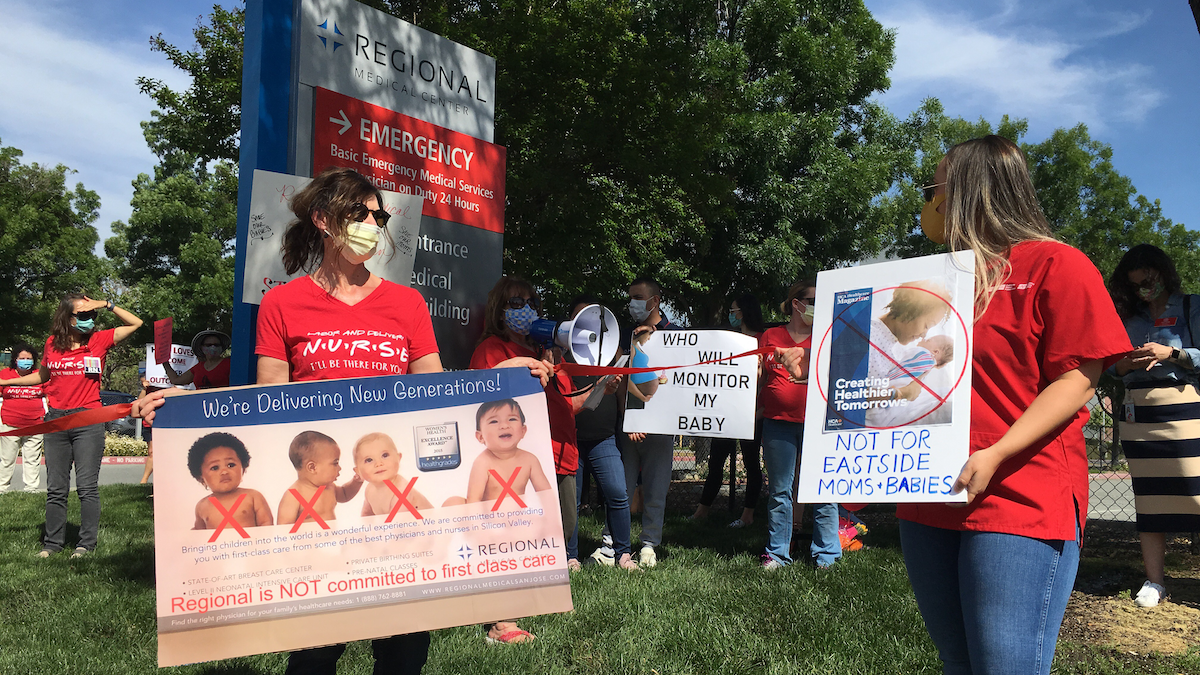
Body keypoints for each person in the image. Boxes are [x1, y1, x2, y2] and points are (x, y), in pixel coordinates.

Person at [135, 167, 548, 673]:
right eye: (361, 214)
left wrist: (496, 379)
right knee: (313, 650)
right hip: (323, 514)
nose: (374, 225)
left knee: (403, 649)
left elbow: (437, 397)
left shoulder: (407, 303)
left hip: (394, 518)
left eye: (379, 216)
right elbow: (269, 404)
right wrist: (184, 403)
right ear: (324, 220)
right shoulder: (281, 303)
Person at [888, 135, 1131, 675]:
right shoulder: (934, 280)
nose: (931, 201)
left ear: (973, 189)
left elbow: (1077, 380)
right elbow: (901, 368)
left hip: (1020, 491)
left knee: (1006, 665)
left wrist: (996, 453)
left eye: (937, 187)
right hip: (930, 489)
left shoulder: (1057, 264)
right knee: (957, 661)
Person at [469, 275, 579, 642]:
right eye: (515, 303)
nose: (526, 309)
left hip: (558, 454)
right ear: (499, 310)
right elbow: (480, 388)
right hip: (517, 462)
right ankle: (502, 620)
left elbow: (568, 405)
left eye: (531, 302)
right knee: (512, 537)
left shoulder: (545, 354)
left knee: (560, 529)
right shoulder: (493, 349)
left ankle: (526, 600)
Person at [0, 294, 142, 558]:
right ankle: (52, 544)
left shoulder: (98, 341)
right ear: (67, 317)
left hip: (88, 420)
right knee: (56, 487)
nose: (89, 320)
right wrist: (7, 383)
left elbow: (136, 323)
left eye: (92, 316)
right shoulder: (52, 343)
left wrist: (105, 305)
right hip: (56, 419)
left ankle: (85, 544)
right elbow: (43, 376)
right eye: (83, 314)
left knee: (86, 487)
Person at [1108, 243, 1200, 608]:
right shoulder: (1128, 319)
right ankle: (1154, 582)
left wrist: (1171, 353)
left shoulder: (1192, 305)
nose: (1144, 290)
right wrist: (1123, 366)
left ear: (1163, 273)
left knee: (1195, 492)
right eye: (1135, 285)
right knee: (1149, 500)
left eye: (1148, 281)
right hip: (1138, 413)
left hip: (1183, 407)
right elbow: (1111, 366)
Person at [758, 281, 840, 569]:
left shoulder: (828, 337)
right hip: (777, 424)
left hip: (820, 425)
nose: (818, 307)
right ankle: (777, 553)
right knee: (780, 491)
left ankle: (827, 555)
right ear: (797, 303)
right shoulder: (771, 336)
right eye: (814, 300)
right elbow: (758, 375)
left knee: (824, 489)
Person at [565, 295, 636, 571]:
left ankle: (623, 554)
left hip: (604, 438)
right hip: (571, 438)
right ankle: (570, 556)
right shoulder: (561, 353)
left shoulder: (612, 351)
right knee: (570, 501)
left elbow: (625, 388)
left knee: (618, 493)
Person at [692, 293, 765, 528]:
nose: (730, 315)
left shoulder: (763, 341)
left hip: (754, 414)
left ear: (743, 312)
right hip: (728, 414)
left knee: (753, 464)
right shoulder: (731, 341)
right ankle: (702, 511)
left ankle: (748, 515)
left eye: (733, 311)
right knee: (716, 462)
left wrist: (758, 412)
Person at [621, 277, 678, 567]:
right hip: (629, 427)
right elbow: (622, 378)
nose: (632, 303)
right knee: (622, 487)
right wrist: (632, 418)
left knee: (657, 488)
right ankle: (613, 542)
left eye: (638, 297)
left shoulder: (678, 337)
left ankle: (649, 545)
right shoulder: (623, 334)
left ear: (654, 301)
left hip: (661, 428)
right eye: (630, 297)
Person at [463, 399, 552, 503]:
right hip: (489, 518)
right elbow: (474, 500)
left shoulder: (529, 460)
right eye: (494, 421)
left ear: (523, 431)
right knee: (453, 502)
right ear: (480, 437)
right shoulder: (483, 462)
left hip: (520, 518)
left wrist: (549, 518)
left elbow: (547, 495)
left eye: (512, 419)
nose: (504, 426)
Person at [188, 431, 273, 530]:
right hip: (218, 546)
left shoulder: (253, 497)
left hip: (252, 545)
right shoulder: (202, 506)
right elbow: (199, 535)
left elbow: (266, 524)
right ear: (201, 477)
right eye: (215, 468)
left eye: (231, 465)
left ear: (243, 468)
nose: (224, 472)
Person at [277, 430, 362, 526]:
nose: (339, 468)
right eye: (335, 463)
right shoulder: (293, 496)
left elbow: (345, 494)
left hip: (332, 540)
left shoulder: (330, 487)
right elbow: (283, 529)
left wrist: (356, 481)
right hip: (307, 541)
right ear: (312, 468)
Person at [0, 342, 46, 493]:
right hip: (10, 423)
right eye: (22, 358)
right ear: (15, 359)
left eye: (29, 358)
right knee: (7, 459)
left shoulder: (39, 375)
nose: (26, 361)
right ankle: (2, 488)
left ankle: (31, 489)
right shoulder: (5, 375)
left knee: (32, 459)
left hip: (35, 423)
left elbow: (50, 394)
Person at [355, 433, 434, 518]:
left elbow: (397, 524)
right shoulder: (369, 490)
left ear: (398, 458)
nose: (379, 463)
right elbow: (366, 517)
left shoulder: (402, 489)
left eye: (385, 455)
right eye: (369, 460)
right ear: (358, 471)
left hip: (432, 527)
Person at [164, 330, 232, 389]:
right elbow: (176, 380)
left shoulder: (229, 364)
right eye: (209, 345)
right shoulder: (198, 368)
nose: (213, 347)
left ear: (221, 347)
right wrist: (165, 362)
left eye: (216, 345)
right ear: (202, 348)